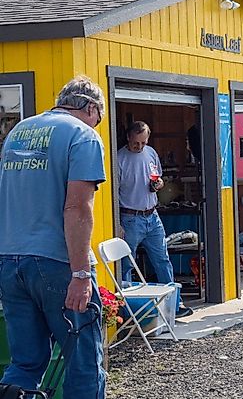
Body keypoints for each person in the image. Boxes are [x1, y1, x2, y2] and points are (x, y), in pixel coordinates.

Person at [0, 76, 107, 397]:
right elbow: (77, 209)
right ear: (90, 108)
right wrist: (81, 274)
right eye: (98, 118)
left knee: (25, 363)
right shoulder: (83, 136)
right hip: (58, 263)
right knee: (84, 361)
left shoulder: (18, 132)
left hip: (10, 262)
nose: (97, 125)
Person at [117, 121, 193, 318]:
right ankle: (127, 311)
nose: (140, 147)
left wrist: (158, 184)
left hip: (152, 214)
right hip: (130, 217)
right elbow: (113, 194)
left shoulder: (150, 153)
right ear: (128, 138)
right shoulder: (119, 159)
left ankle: (174, 306)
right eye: (136, 143)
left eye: (143, 143)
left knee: (163, 260)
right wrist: (117, 223)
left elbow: (157, 177)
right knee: (126, 264)